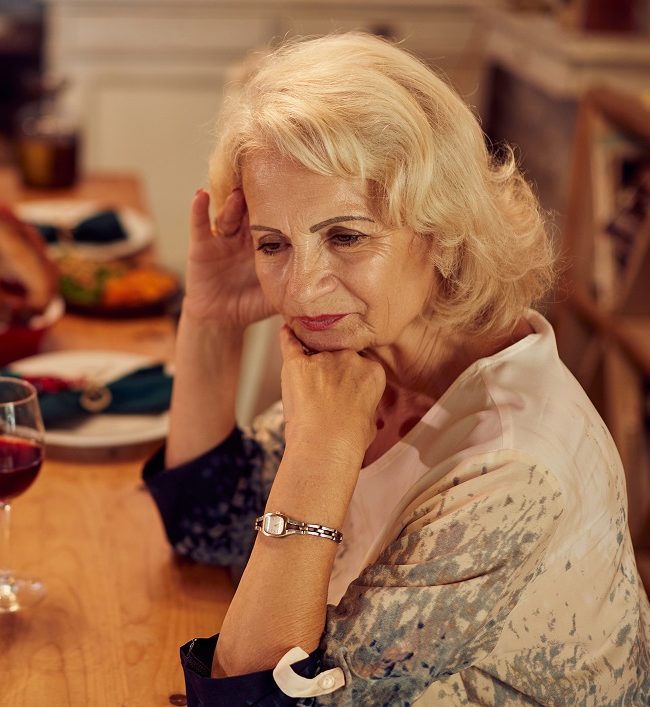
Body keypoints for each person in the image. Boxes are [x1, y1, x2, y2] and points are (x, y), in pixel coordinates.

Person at [143, 32, 650, 705]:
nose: (298, 289)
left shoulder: (513, 466)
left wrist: (320, 453)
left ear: (442, 229)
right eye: (274, 243)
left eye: (346, 235)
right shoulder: (372, 355)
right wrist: (208, 319)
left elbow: (261, 697)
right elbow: (211, 522)